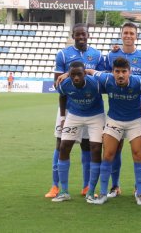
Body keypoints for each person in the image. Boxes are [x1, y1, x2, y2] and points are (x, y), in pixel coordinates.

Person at [45, 23, 105, 198]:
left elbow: (100, 77)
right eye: (77, 35)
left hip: (92, 109)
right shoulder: (63, 54)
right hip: (70, 109)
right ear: (73, 35)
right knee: (61, 144)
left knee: (89, 146)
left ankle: (87, 186)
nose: (81, 37)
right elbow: (58, 83)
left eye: (83, 34)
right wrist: (65, 77)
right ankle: (56, 186)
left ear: (88, 34)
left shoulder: (97, 54)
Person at [93, 57, 141, 205]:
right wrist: (66, 74)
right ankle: (103, 193)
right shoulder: (107, 79)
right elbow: (90, 71)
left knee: (138, 154)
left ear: (130, 72)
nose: (120, 75)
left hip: (135, 121)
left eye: (124, 72)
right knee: (108, 154)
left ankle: (139, 193)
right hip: (114, 120)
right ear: (112, 72)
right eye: (117, 72)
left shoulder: (140, 81)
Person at [105, 22, 141, 199]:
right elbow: (106, 79)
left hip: (138, 111)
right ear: (121, 35)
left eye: (132, 33)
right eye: (126, 33)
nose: (128, 36)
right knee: (114, 149)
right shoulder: (112, 55)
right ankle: (115, 186)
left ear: (136, 36)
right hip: (117, 111)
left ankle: (137, 188)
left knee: (138, 151)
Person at [51, 61, 105, 202]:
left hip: (95, 116)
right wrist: (63, 116)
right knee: (64, 146)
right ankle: (64, 191)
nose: (76, 78)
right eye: (73, 74)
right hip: (74, 115)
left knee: (96, 148)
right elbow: (62, 96)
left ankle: (91, 191)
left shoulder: (95, 83)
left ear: (84, 74)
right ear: (69, 74)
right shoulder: (64, 83)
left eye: (79, 74)